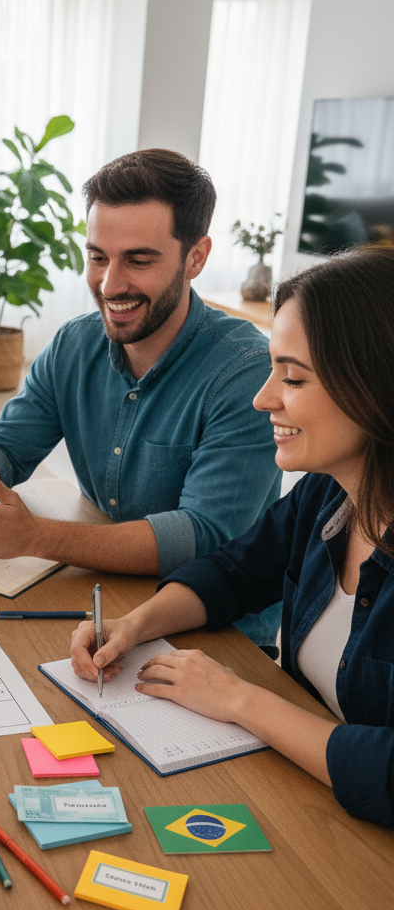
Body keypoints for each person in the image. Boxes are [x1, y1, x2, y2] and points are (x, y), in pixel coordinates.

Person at [0, 149, 281, 648]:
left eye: (138, 260)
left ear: (195, 257)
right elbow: (9, 444)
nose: (110, 284)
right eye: (97, 257)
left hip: (215, 631)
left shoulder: (246, 372)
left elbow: (200, 535)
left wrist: (36, 537)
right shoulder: (75, 343)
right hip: (105, 596)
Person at [71, 247, 394, 827]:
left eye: (292, 377)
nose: (263, 397)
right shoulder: (331, 494)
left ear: (375, 386)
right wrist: (134, 625)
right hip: (302, 798)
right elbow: (235, 571)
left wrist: (240, 698)